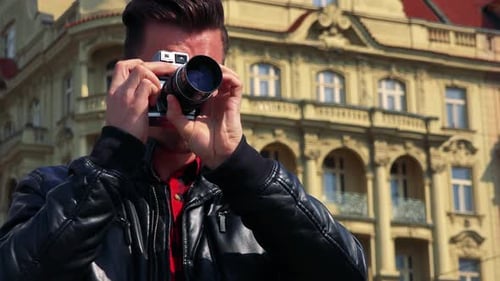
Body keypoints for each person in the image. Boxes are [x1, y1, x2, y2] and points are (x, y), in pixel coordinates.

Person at [0, 0, 367, 280]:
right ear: (128, 75)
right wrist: (113, 156)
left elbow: (347, 271)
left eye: (200, 72)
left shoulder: (257, 200)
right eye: (166, 70)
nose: (185, 88)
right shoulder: (52, 189)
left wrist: (239, 164)